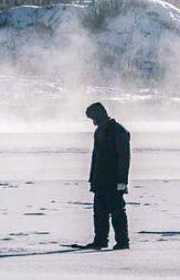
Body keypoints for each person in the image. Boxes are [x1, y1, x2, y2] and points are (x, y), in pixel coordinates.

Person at [81, 102, 130, 250]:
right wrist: (92, 179)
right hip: (100, 180)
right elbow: (95, 158)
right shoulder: (99, 132)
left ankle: (122, 242)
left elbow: (124, 159)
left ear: (99, 114)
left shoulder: (118, 131)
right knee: (99, 213)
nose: (93, 122)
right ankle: (100, 240)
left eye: (93, 118)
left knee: (117, 212)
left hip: (113, 180)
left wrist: (122, 182)